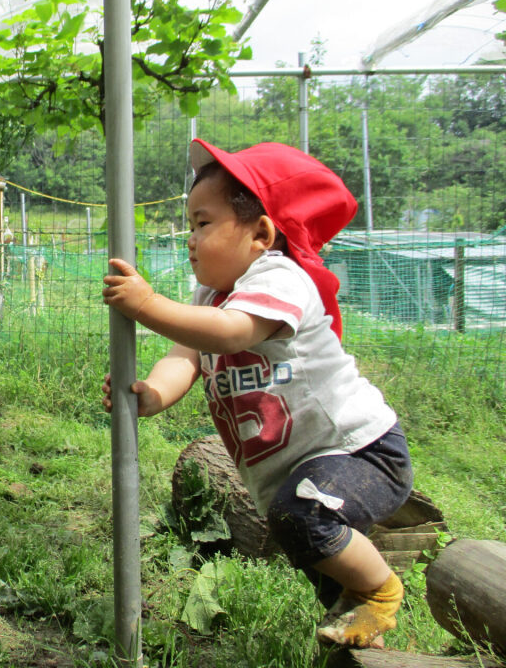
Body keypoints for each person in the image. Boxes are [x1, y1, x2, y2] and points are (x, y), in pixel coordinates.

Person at [101, 139, 413, 649]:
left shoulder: (280, 279)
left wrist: (147, 303)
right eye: (189, 226)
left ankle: (380, 592)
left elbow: (230, 334)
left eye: (203, 224)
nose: (190, 239)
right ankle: (358, 629)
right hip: (301, 472)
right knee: (325, 572)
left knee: (303, 517)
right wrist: (154, 393)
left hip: (359, 450)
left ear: (261, 234)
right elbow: (188, 354)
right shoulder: (212, 297)